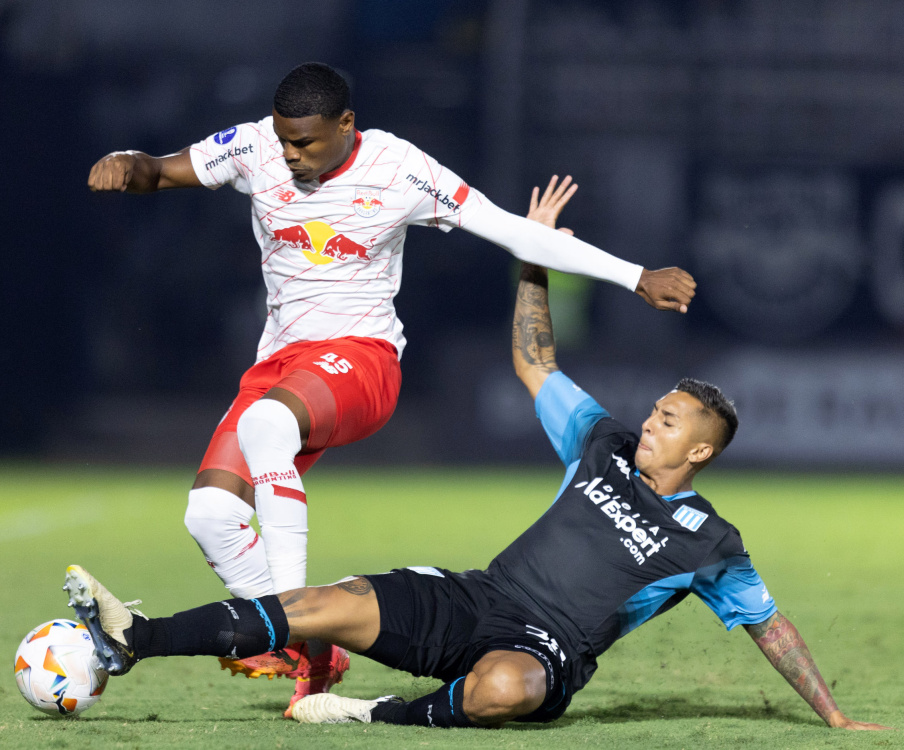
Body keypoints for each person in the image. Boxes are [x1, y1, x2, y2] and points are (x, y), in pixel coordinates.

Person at [64, 179, 890, 732]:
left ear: (700, 449)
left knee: (504, 691)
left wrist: (833, 716)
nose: (649, 422)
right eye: (655, 410)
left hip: (544, 650)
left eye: (668, 421)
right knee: (321, 603)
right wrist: (534, 251)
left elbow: (772, 629)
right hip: (475, 598)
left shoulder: (710, 543)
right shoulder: (600, 443)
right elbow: (535, 362)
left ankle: (371, 714)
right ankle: (138, 637)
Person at [86, 61, 696, 715]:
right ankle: (316, 652)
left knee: (266, 425)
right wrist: (127, 163)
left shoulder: (399, 168)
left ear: (346, 124)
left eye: (305, 142)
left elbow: (511, 229)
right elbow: (162, 169)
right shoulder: (254, 145)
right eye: (284, 140)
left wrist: (635, 276)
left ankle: (288, 618)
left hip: (362, 360)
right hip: (280, 367)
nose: (290, 155)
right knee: (210, 515)